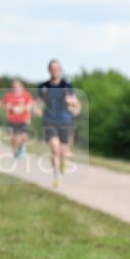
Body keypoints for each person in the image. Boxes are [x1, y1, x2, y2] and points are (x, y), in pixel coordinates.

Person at [37, 59, 81, 188]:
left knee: (63, 151)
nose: (54, 71)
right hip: (49, 121)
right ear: (49, 70)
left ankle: (62, 163)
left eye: (57, 68)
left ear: (60, 70)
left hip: (65, 121)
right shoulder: (44, 87)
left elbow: (76, 104)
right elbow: (37, 103)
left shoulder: (67, 86)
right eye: (52, 68)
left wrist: (73, 104)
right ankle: (57, 176)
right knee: (55, 149)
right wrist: (36, 109)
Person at [2, 79, 34, 158]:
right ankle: (15, 152)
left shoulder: (27, 95)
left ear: (22, 87)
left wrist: (22, 109)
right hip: (12, 119)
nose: (16, 88)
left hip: (23, 119)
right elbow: (5, 106)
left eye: (18, 86)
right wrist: (9, 108)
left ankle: (22, 146)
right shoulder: (8, 95)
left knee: (24, 136)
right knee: (14, 137)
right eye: (14, 87)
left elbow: (29, 106)